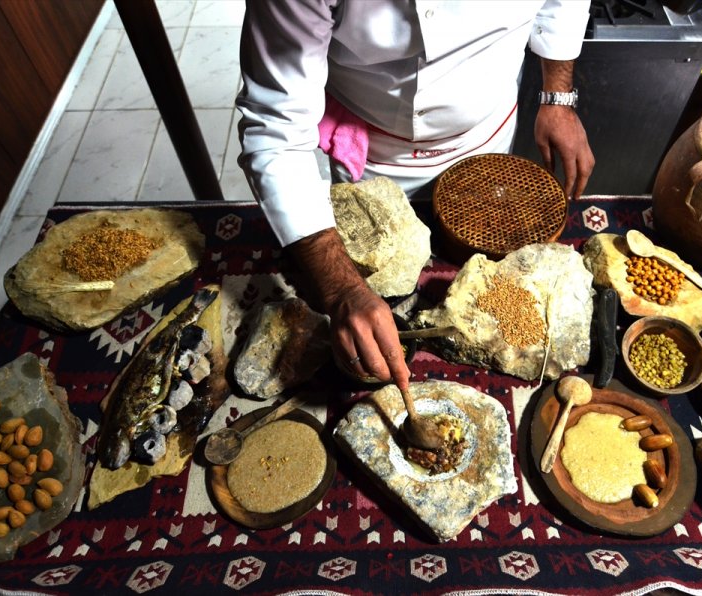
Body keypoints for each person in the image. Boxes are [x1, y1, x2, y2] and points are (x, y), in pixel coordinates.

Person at [237, 1, 595, 396]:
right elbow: (276, 129)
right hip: (383, 157)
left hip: (488, 132)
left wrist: (557, 97)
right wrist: (341, 291)